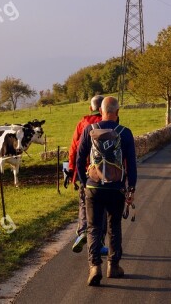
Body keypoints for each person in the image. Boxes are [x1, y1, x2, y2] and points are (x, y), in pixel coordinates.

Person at [76, 96, 137, 286]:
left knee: (94, 228)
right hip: (116, 188)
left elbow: (79, 160)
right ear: (117, 112)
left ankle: (94, 267)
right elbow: (132, 165)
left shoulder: (89, 130)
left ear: (100, 111)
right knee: (114, 226)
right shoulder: (125, 133)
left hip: (93, 187)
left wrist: (83, 182)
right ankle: (113, 266)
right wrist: (131, 189)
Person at [67, 95, 105, 253]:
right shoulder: (109, 124)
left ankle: (82, 232)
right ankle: (100, 243)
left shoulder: (82, 124)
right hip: (103, 173)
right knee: (102, 207)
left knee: (84, 203)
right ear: (102, 109)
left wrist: (71, 170)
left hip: (84, 171)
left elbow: (74, 149)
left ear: (91, 108)